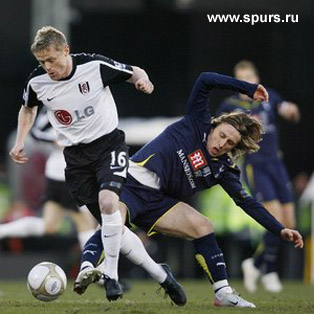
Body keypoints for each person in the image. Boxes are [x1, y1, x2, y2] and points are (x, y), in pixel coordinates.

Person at [73, 71, 303, 308]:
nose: (222, 144)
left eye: (230, 143)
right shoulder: (196, 121)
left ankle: (222, 293)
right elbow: (205, 80)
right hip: (132, 181)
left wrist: (280, 229)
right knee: (113, 220)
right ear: (215, 125)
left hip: (159, 202)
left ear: (236, 147)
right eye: (222, 135)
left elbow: (247, 202)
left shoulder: (224, 169)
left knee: (203, 226)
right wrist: (246, 87)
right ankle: (87, 268)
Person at [9, 26, 186, 303]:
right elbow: (28, 108)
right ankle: (161, 274)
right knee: (110, 226)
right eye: (42, 62)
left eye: (52, 60)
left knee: (108, 204)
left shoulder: (93, 65)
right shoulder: (37, 82)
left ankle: (111, 274)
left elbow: (133, 71)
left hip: (108, 146)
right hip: (76, 159)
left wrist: (144, 81)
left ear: (65, 50)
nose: (48, 67)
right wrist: (20, 140)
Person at [217, 60, 300, 293]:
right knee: (276, 221)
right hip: (257, 165)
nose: (247, 84)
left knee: (290, 224)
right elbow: (218, 132)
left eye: (250, 78)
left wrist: (292, 111)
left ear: (256, 78)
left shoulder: (268, 96)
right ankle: (270, 271)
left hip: (277, 163)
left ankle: (254, 264)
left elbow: (288, 111)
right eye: (242, 80)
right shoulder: (230, 106)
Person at [1, 107, 96, 249]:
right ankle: (92, 269)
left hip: (60, 172)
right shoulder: (56, 104)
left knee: (49, 225)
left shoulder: (83, 105)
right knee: (85, 224)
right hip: (67, 174)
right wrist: (58, 139)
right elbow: (36, 132)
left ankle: (3, 230)